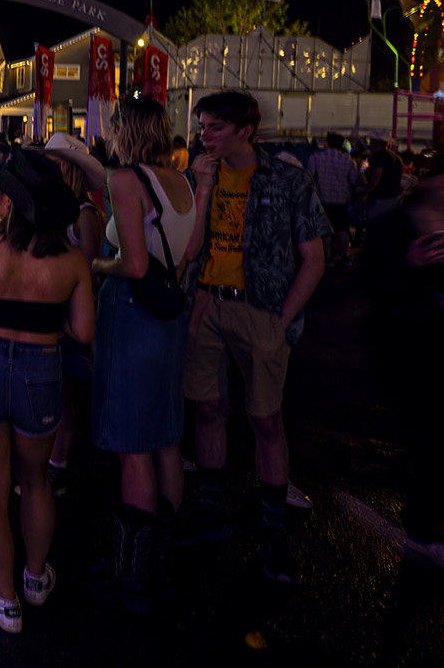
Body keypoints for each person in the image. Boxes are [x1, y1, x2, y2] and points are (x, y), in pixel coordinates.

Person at [0, 149, 95, 634]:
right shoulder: (71, 262)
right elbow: (84, 331)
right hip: (41, 369)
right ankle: (36, 578)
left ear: (9, 202)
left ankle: (5, 600)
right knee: (36, 480)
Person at [179, 90, 329, 585]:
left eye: (215, 127)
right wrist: (201, 189)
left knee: (266, 419)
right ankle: (211, 512)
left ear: (245, 130)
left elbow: (314, 259)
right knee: (207, 410)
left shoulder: (287, 179)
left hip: (260, 310)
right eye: (202, 126)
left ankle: (272, 529)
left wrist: (281, 319)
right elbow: (188, 251)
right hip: (207, 303)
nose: (204, 136)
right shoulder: (199, 176)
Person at [87, 97, 197, 612]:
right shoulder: (184, 182)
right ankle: (163, 557)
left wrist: (97, 264)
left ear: (125, 131)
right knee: (165, 438)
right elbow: (187, 254)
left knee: (133, 445)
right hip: (170, 318)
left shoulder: (126, 180)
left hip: (132, 314)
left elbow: (132, 264)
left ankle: (129, 571)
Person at [363, 147, 444, 575]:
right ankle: (425, 530)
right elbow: (372, 282)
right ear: (432, 183)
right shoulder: (398, 225)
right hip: (411, 351)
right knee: (435, 441)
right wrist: (410, 261)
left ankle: (426, 530)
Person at [30, 132, 107, 498]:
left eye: (58, 163)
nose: (52, 169)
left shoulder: (85, 215)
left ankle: (59, 467)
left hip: (71, 317)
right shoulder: (52, 207)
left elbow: (90, 273)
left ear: (73, 170)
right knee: (54, 393)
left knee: (65, 395)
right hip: (51, 312)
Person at [307, 132, 358, 265]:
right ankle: (346, 256)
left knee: (325, 230)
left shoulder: (316, 157)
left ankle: (328, 258)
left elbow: (310, 177)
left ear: (327, 143)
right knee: (342, 229)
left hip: (321, 200)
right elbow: (353, 182)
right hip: (341, 201)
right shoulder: (349, 162)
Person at [360, 138, 404, 226]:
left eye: (371, 141)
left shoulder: (379, 156)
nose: (370, 144)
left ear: (376, 143)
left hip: (380, 197)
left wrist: (367, 192)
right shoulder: (396, 157)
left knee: (376, 225)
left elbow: (376, 176)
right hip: (395, 197)